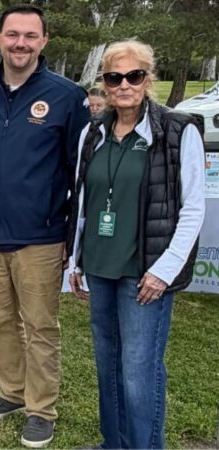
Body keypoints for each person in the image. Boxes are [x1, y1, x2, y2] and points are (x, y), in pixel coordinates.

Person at [0, 4, 90, 448]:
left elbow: (80, 173)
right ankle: (11, 393)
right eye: (13, 34)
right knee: (0, 324)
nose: (20, 43)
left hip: (40, 237)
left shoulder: (67, 96)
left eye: (30, 36)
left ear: (44, 42)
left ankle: (41, 408)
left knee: (40, 327)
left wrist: (71, 237)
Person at [67, 40, 204, 449]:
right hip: (99, 266)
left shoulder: (178, 131)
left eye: (134, 75)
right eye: (114, 77)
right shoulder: (93, 133)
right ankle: (114, 443)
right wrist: (75, 261)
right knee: (108, 367)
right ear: (105, 84)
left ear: (148, 79)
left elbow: (193, 209)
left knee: (138, 372)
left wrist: (164, 271)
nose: (124, 84)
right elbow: (84, 201)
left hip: (145, 273)